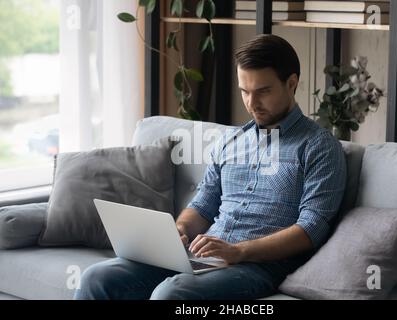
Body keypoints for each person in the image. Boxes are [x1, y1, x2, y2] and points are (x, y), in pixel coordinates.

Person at [74, 34, 347, 300]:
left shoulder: (319, 147)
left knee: (172, 294)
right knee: (97, 278)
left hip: (258, 267)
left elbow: (312, 228)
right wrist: (179, 231)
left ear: (291, 83)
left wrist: (239, 251)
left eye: (263, 92)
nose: (252, 104)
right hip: (203, 257)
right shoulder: (230, 141)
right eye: (244, 91)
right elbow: (203, 205)